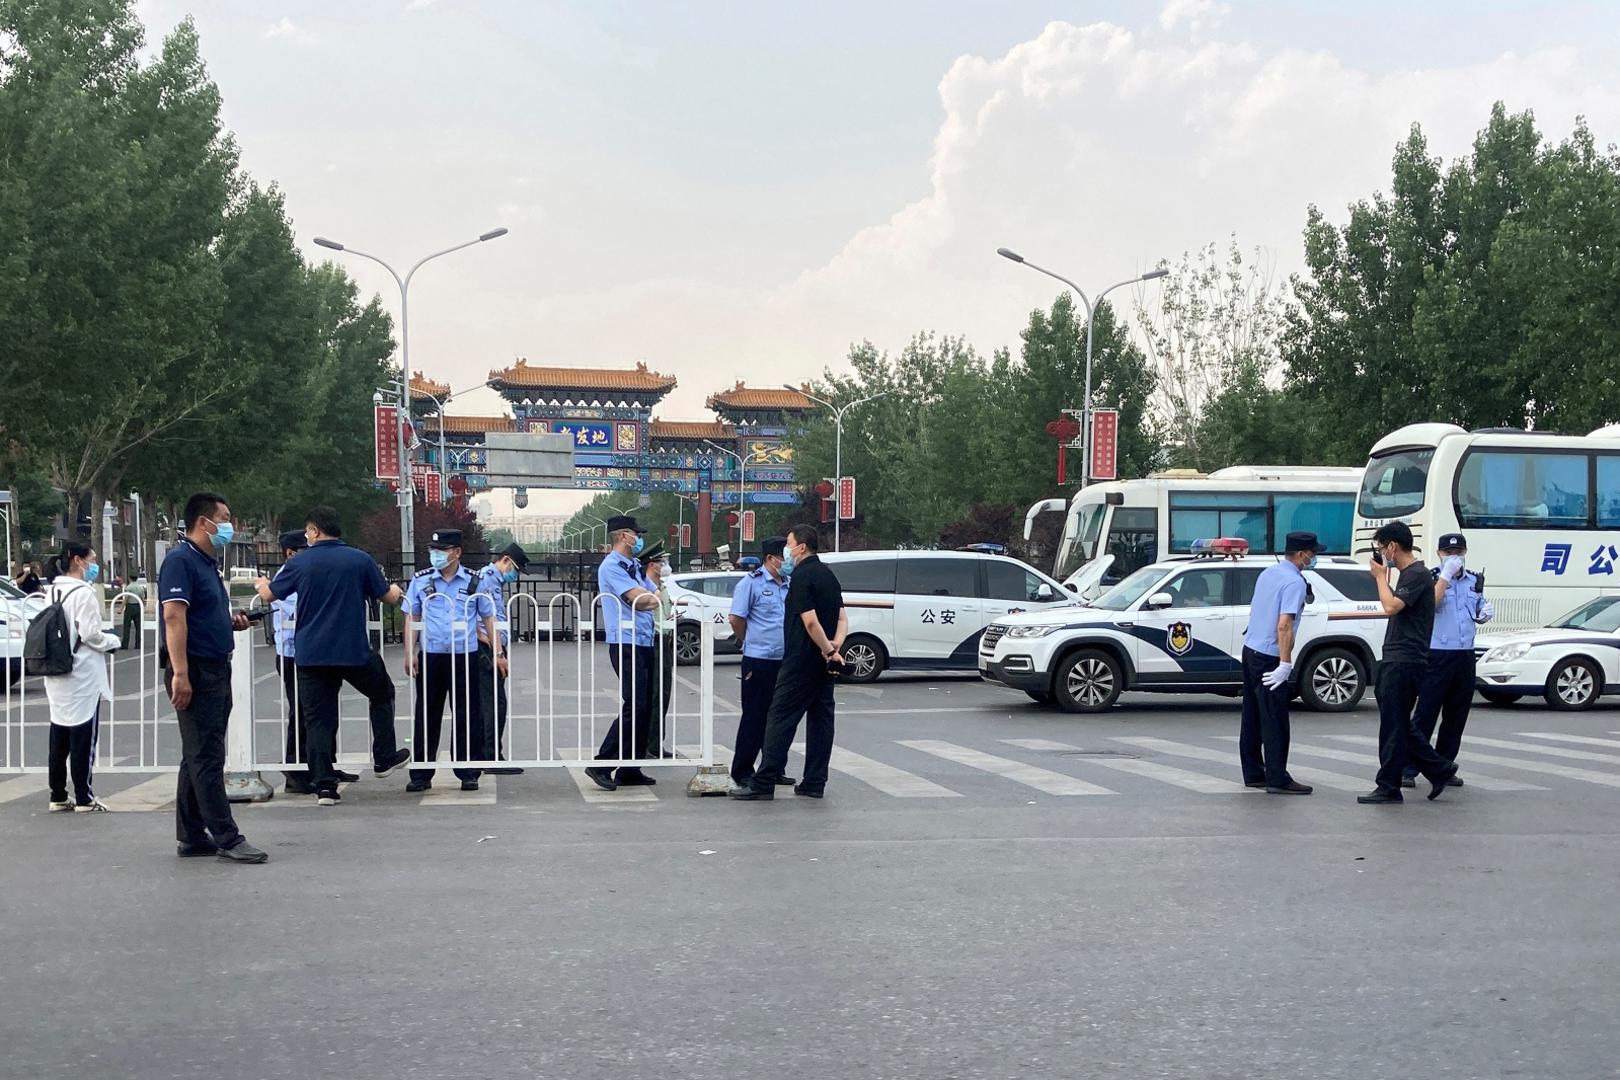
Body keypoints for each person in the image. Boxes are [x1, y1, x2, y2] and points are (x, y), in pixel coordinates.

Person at [258, 507, 413, 805]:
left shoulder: (301, 562)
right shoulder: (359, 559)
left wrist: (261, 585)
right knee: (382, 693)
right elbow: (388, 597)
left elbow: (269, 596)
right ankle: (384, 758)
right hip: (352, 650)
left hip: (311, 653)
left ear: (315, 531)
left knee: (318, 719)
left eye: (307, 532)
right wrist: (395, 590)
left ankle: (324, 786)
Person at [159, 492, 267, 863]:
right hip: (196, 668)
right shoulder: (180, 561)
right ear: (203, 522)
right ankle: (227, 836)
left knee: (198, 754)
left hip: (216, 665)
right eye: (224, 517)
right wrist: (181, 673)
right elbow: (174, 617)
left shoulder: (207, 563)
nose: (229, 524)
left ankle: (191, 834)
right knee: (207, 755)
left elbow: (202, 613)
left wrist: (231, 621)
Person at [731, 525, 846, 801]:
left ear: (801, 547)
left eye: (790, 544)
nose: (787, 551)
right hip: (821, 665)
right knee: (821, 720)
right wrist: (834, 649)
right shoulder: (829, 575)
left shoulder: (801, 577)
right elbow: (842, 617)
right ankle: (814, 781)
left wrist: (826, 648)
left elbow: (809, 621)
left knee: (779, 719)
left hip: (800, 661)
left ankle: (764, 782)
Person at [1359, 521, 1460, 804]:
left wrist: (1380, 577)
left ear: (1392, 546)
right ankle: (1438, 768)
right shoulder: (1409, 575)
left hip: (1405, 659)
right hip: (1397, 656)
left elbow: (1390, 607)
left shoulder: (1416, 574)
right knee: (1398, 722)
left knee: (1395, 724)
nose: (1381, 554)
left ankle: (1391, 785)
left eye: (1381, 548)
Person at [403, 529, 499, 794]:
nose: (435, 555)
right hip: (432, 656)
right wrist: (409, 652)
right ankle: (421, 774)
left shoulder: (474, 581)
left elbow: (488, 618)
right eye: (433, 550)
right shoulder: (421, 581)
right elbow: (412, 616)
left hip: (464, 656)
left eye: (441, 550)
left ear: (456, 552)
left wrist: (497, 652)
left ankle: (468, 772)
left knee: (468, 715)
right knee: (426, 715)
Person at [1403, 531, 1494, 789]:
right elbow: (1429, 606)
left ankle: (1443, 766)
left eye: (1459, 552)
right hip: (1437, 653)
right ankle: (1408, 767)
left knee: (1456, 715)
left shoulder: (1475, 579)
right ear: (1439, 554)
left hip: (1464, 653)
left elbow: (1475, 607)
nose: (1454, 557)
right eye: (1449, 553)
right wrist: (1444, 577)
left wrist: (1483, 612)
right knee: (1426, 713)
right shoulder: (1431, 578)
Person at [1236, 531, 1320, 795]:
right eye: (1313, 552)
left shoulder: (1269, 573)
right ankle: (1277, 777)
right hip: (1270, 656)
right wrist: (1285, 664)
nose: (1314, 557)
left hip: (1251, 649)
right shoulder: (1294, 582)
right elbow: (1284, 625)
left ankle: (1253, 772)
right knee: (1275, 719)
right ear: (1302, 554)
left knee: (1252, 716)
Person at [42, 541, 120, 813]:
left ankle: (58, 795)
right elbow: (90, 634)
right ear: (78, 560)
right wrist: (111, 640)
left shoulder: (52, 591)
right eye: (92, 559)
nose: (94, 565)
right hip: (82, 672)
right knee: (83, 737)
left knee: (59, 734)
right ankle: (85, 798)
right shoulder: (83, 593)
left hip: (56, 671)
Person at [584, 516, 659, 791]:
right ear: (624, 536)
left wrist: (654, 595)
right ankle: (602, 762)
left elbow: (652, 593)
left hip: (643, 639)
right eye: (636, 534)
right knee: (635, 703)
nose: (639, 539)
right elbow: (641, 600)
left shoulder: (634, 566)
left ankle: (630, 767)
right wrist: (654, 596)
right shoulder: (612, 567)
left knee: (645, 704)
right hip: (625, 641)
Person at [725, 534, 795, 795]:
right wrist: (750, 641)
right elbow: (736, 619)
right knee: (754, 718)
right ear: (770, 558)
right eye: (783, 557)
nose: (786, 561)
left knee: (779, 718)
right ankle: (743, 771)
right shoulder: (750, 584)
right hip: (759, 659)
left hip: (785, 660)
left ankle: (773, 768)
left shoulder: (789, 583)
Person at [475, 542, 529, 775]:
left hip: (493, 645)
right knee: (495, 703)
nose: (515, 575)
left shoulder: (493, 580)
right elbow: (480, 617)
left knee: (488, 702)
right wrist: (496, 650)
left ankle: (486, 754)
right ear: (505, 560)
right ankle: (491, 757)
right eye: (515, 569)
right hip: (486, 647)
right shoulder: (487, 578)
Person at [640, 541, 675, 757]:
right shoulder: (643, 588)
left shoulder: (662, 587)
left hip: (666, 640)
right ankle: (648, 744)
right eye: (661, 562)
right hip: (652, 641)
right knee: (653, 694)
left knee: (663, 693)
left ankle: (655, 742)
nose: (664, 565)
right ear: (652, 565)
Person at [118, 573, 148, 650]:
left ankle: (125, 645)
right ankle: (138, 645)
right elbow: (142, 599)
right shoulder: (140, 588)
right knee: (138, 627)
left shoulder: (129, 587)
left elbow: (126, 598)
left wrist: (121, 608)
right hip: (138, 606)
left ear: (129, 578)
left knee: (127, 626)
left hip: (130, 607)